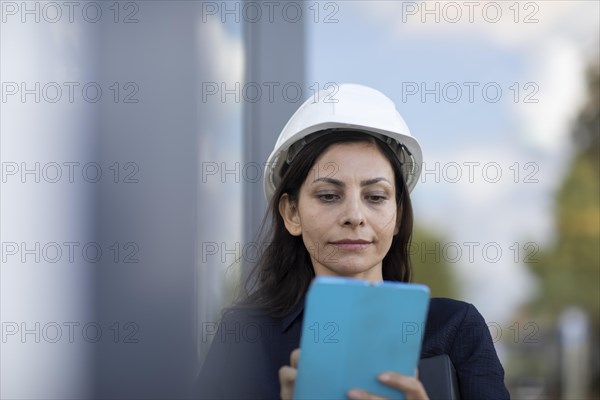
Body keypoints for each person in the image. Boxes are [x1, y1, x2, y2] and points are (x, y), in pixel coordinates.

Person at [197, 83, 510, 399]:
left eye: (375, 196)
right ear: (292, 213)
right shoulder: (245, 336)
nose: (354, 216)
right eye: (329, 196)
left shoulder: (456, 328)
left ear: (398, 214)